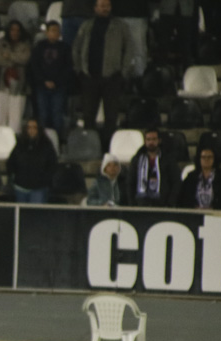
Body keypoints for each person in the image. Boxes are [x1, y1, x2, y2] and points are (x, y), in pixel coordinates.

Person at [72, 0, 132, 135]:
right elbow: (76, 48)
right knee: (88, 116)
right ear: (95, 8)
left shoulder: (121, 26)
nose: (105, 8)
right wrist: (79, 70)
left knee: (111, 117)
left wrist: (123, 73)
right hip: (89, 77)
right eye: (102, 6)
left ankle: (108, 146)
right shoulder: (87, 25)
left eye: (108, 5)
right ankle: (90, 147)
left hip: (112, 78)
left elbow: (129, 50)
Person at [30, 20, 73, 136]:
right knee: (43, 114)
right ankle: (43, 140)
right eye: (53, 31)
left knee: (57, 115)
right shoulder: (39, 47)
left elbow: (68, 68)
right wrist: (44, 81)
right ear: (47, 32)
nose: (55, 33)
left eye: (58, 31)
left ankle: (57, 140)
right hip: (41, 87)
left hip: (59, 87)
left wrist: (56, 82)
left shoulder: (65, 48)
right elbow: (35, 66)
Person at [0, 20, 31, 133]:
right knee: (0, 118)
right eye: (12, 29)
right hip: (0, 84)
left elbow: (25, 59)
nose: (15, 32)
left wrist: (8, 56)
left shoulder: (25, 44)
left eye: (17, 30)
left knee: (15, 121)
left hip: (19, 86)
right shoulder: (0, 43)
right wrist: (15, 59)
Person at [6, 119, 57, 203]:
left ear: (39, 129)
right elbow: (11, 162)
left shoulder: (46, 146)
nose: (31, 130)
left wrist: (45, 180)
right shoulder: (20, 144)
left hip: (39, 187)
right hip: (20, 187)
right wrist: (14, 177)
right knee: (21, 214)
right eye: (29, 127)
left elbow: (52, 165)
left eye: (34, 127)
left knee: (35, 214)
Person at [126, 127, 179, 207]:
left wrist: (170, 203)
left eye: (154, 139)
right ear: (145, 141)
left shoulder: (168, 159)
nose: (151, 142)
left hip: (163, 204)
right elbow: (130, 182)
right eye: (148, 139)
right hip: (141, 204)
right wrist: (132, 204)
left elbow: (176, 181)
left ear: (159, 140)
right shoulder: (137, 159)